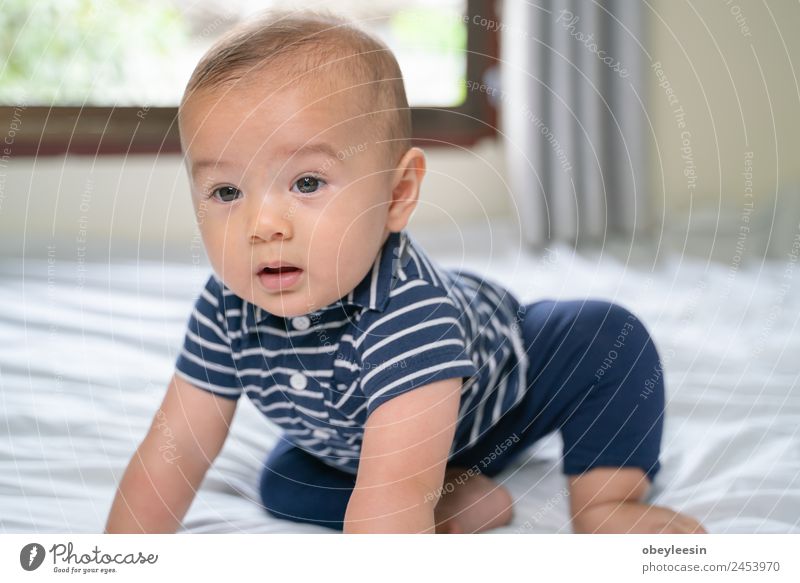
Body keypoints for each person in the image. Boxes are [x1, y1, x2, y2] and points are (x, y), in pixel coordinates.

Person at [105, 11, 705, 534]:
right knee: (283, 484)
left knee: (606, 336)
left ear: (397, 194)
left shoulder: (406, 315)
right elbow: (175, 448)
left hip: (500, 396)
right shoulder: (225, 308)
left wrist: (405, 502)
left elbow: (388, 499)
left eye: (307, 182)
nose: (263, 225)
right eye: (226, 190)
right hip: (366, 438)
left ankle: (608, 502)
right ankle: (449, 495)